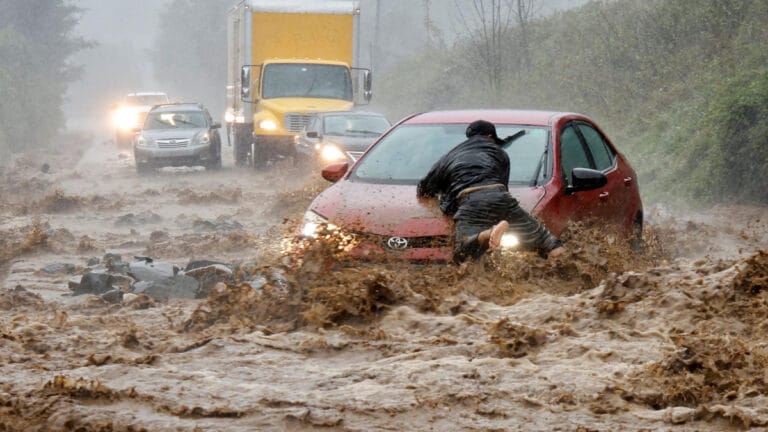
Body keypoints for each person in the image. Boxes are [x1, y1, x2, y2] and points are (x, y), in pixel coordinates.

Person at [417, 119, 565, 264]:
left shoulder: (450, 156)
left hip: (471, 200)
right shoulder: (500, 154)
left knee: (461, 253)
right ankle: (568, 271)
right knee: (547, 241)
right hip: (500, 196)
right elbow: (502, 188)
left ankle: (488, 233)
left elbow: (424, 188)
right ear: (490, 136)